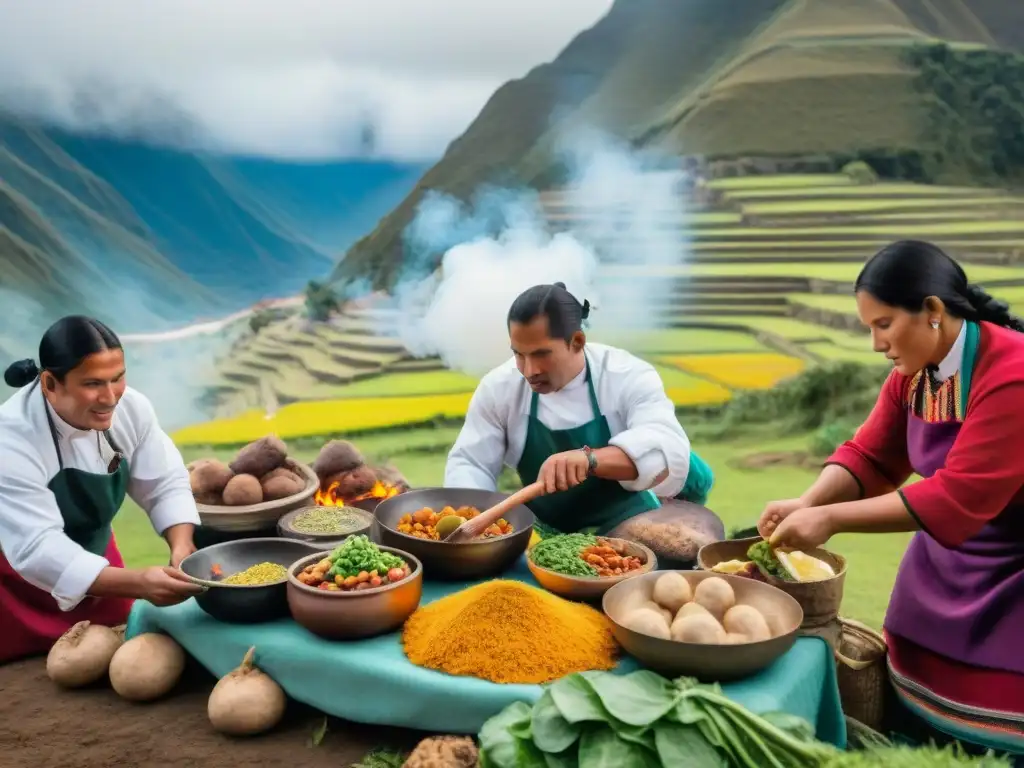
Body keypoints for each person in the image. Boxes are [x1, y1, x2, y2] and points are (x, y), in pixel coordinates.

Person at [758, 241, 1024, 754]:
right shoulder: (916, 373)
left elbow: (954, 499)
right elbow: (872, 458)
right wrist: (808, 503)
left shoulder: (1012, 376)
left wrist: (830, 519)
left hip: (1011, 583)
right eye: (869, 329)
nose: (877, 343)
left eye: (884, 324)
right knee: (911, 733)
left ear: (932, 311)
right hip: (938, 574)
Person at [444, 282, 723, 563]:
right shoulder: (499, 387)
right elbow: (471, 462)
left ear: (577, 341)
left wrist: (589, 459)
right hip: (544, 525)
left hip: (627, 518)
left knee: (676, 553)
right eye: (519, 354)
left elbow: (663, 446)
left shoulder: (627, 375)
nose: (529, 371)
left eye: (542, 354)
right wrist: (473, 516)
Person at [0, 316, 204, 664]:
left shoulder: (132, 409)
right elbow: (37, 547)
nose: (110, 397)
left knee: (121, 650)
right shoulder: (12, 440)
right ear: (50, 383)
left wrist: (182, 545)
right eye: (93, 383)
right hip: (18, 582)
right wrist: (139, 583)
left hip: (100, 564)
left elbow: (164, 481)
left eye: (118, 378)